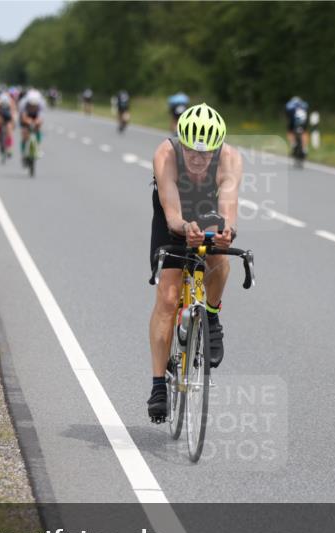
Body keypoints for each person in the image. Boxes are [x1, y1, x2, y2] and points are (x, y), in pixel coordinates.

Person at [147, 103, 243, 422]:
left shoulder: (230, 158)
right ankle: (158, 386)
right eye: (192, 151)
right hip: (173, 216)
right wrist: (183, 227)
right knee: (168, 297)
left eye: (206, 153)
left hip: (208, 208)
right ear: (182, 143)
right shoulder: (166, 154)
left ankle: (211, 317)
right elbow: (172, 210)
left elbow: (228, 204)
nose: (199, 159)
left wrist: (227, 231)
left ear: (217, 149)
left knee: (219, 256)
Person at [19, 88, 45, 161]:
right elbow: (23, 117)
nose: (33, 106)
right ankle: (23, 152)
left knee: (38, 128)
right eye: (31, 104)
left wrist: (37, 122)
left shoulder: (41, 104)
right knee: (25, 133)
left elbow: (40, 117)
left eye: (35, 105)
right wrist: (28, 121)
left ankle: (38, 146)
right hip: (26, 116)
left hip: (35, 116)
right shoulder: (23, 104)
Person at [0, 89, 15, 159]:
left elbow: (12, 114)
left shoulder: (10, 104)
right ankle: (0, 141)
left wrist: (13, 123)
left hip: (7, 119)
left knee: (9, 131)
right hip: (1, 118)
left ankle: (9, 149)